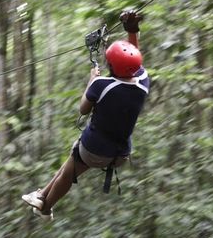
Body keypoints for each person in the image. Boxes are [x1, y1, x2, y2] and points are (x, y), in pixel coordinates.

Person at [21, 11, 150, 220]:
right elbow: (134, 63)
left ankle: (45, 207)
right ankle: (42, 194)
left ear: (111, 66)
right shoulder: (144, 82)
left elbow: (83, 108)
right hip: (120, 153)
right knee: (73, 157)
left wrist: (91, 79)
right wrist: (132, 30)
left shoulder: (102, 84)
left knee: (69, 172)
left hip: (95, 150)